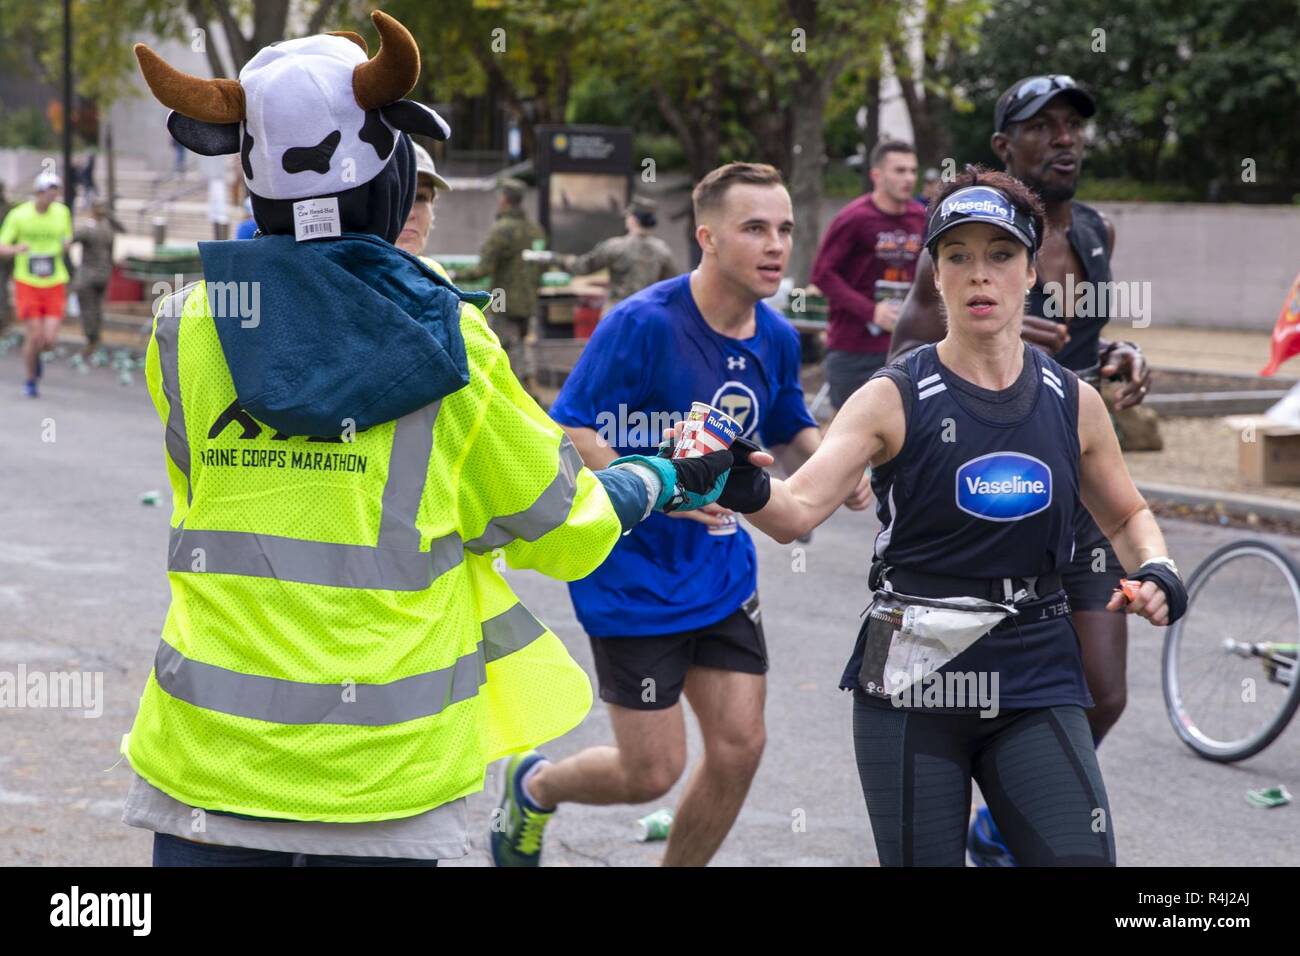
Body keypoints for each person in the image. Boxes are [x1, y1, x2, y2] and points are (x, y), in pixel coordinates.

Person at [120, 10, 736, 868]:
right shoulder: (449, 341)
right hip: (382, 778)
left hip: (206, 763)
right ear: (392, 173)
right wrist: (656, 479)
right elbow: (563, 527)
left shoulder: (182, 328)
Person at [717, 167, 1187, 866]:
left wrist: (1159, 567)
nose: (979, 275)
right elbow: (796, 511)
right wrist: (735, 479)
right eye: (958, 256)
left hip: (1036, 672)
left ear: (1031, 272)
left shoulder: (1070, 400)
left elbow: (1126, 517)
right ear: (934, 276)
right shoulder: (892, 397)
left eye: (1000, 255)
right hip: (911, 676)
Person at [490, 162, 873, 868]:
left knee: (739, 749)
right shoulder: (641, 325)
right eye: (754, 228)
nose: (776, 245)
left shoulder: (777, 337)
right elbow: (571, 429)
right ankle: (536, 785)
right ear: (707, 237)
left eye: (784, 229)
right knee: (652, 773)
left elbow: (787, 417)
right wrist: (659, 487)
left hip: (722, 573)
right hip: (630, 578)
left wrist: (833, 464)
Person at [887, 76, 1153, 864]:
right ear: (1005, 148)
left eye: (1073, 126)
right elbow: (901, 353)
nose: (1065, 139)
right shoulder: (966, 242)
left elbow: (1086, 350)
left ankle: (999, 830)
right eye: (1044, 128)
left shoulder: (1097, 233)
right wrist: (987, 347)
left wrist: (1124, 360)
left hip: (1073, 485)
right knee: (958, 694)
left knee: (1103, 693)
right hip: (978, 486)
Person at [810, 140, 926, 411]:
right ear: (876, 175)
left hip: (906, 345)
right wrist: (871, 311)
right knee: (853, 440)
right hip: (855, 347)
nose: (909, 178)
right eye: (899, 171)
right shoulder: (854, 218)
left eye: (912, 170)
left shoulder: (921, 218)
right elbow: (822, 274)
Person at [452, 177, 546, 381]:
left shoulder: (501, 230)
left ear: (504, 199)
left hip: (502, 298)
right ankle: (529, 389)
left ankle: (511, 389)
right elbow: (541, 265)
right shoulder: (535, 230)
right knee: (522, 345)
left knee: (500, 346)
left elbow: (483, 269)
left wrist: (453, 275)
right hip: (528, 301)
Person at [0, 171, 73, 397]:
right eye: (49, 193)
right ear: (38, 193)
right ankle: (31, 379)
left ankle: (38, 356)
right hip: (27, 282)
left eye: (56, 194)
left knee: (49, 339)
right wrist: (16, 249)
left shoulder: (62, 213)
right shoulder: (19, 215)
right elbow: (2, 246)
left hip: (55, 281)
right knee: (35, 335)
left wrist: (67, 243)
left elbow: (66, 237)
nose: (53, 198)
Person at [552, 196, 676, 316]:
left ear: (633, 220)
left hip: (617, 314)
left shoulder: (615, 247)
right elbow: (671, 284)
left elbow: (581, 266)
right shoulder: (663, 250)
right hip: (648, 315)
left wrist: (556, 259)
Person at [71, 199, 122, 357]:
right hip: (103, 273)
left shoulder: (89, 228)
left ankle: (91, 339)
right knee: (98, 307)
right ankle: (97, 336)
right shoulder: (108, 228)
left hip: (88, 275)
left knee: (88, 308)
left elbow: (73, 238)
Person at [396, 142, 452, 278]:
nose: (410, 214)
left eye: (420, 198)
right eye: (396, 198)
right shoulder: (342, 284)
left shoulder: (436, 277)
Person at [0, 182, 13, 334]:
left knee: (2, 287)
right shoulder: (8, 208)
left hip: (4, 253)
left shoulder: (7, 209)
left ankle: (3, 320)